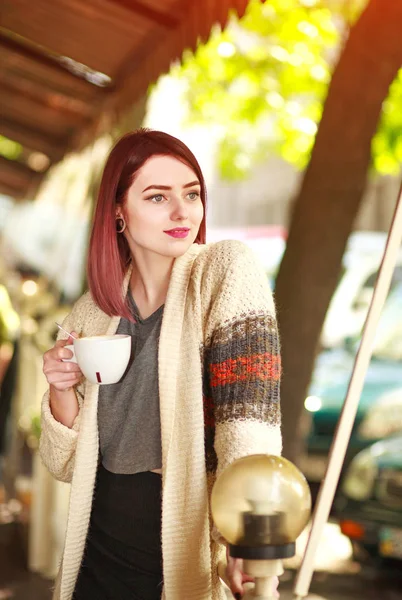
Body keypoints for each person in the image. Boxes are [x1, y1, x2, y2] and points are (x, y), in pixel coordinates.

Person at [40, 129, 282, 600]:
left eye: (191, 194)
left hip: (176, 546)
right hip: (95, 548)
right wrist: (60, 388)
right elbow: (64, 463)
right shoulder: (92, 312)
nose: (182, 212)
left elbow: (248, 420)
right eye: (157, 197)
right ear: (117, 211)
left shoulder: (224, 271)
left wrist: (248, 533)